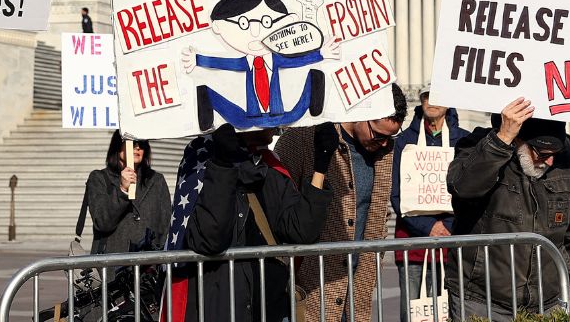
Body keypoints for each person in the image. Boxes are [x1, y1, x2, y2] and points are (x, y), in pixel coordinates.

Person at [446, 99, 570, 321]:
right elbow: (463, 187)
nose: (550, 161)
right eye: (542, 153)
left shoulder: (567, 164)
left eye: (555, 152)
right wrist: (500, 141)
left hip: (550, 300)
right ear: (517, 141)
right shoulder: (479, 147)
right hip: (482, 299)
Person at [276, 85, 406, 322]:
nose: (385, 144)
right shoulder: (302, 139)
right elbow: (277, 205)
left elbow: (375, 215)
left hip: (356, 288)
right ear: (360, 113)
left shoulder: (383, 152)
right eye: (379, 136)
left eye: (392, 137)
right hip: (308, 288)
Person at [178, 124, 329, 322]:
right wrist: (223, 165)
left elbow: (301, 231)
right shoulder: (201, 159)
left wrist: (321, 165)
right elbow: (209, 239)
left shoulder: (268, 166)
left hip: (269, 307)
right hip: (221, 307)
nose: (275, 122)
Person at [183, 0, 331, 131]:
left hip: (279, 114)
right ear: (218, 26)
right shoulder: (244, 62)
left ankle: (314, 82)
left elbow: (297, 61)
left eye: (266, 22)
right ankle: (206, 95)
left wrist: (321, 54)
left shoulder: (277, 58)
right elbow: (223, 63)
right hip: (251, 117)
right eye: (243, 24)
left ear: (288, 21)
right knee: (238, 120)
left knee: (295, 114)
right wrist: (197, 59)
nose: (255, 31)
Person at [391, 91, 467, 297]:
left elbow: (470, 193)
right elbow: (397, 194)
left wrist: (448, 226)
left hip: (452, 245)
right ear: (421, 101)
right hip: (413, 244)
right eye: (427, 96)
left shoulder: (463, 140)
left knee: (448, 313)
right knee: (413, 312)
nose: (432, 101)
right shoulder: (403, 141)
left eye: (438, 96)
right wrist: (429, 226)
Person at [82, 132, 170, 252]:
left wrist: (156, 255)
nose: (138, 147)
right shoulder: (99, 178)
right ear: (118, 146)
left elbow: (165, 224)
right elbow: (102, 222)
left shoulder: (156, 179)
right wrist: (122, 190)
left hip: (148, 264)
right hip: (112, 263)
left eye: (142, 144)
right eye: (133, 143)